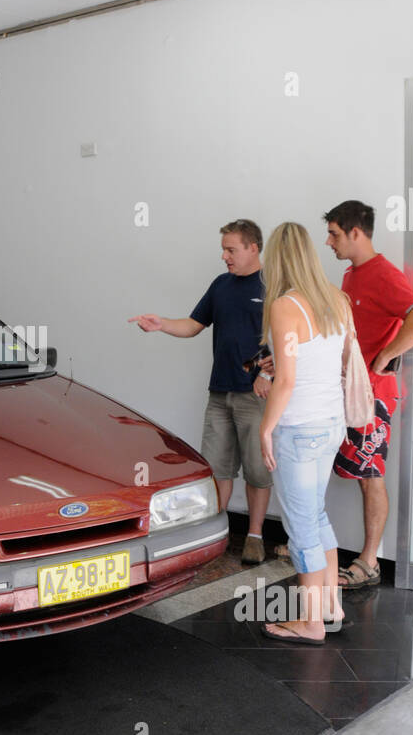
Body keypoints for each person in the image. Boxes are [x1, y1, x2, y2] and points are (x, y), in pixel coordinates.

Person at [131, 219, 271, 563]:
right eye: (223, 249)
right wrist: (162, 324)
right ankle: (215, 533)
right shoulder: (220, 285)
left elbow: (286, 340)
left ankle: (254, 536)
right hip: (220, 394)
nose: (224, 256)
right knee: (217, 468)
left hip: (257, 397)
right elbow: (194, 325)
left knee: (257, 470)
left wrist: (271, 373)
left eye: (231, 249)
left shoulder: (273, 286)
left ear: (253, 247)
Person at [258, 222, 351, 644]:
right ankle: (330, 608)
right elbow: (328, 360)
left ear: (277, 259)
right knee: (316, 515)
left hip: (298, 429)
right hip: (332, 423)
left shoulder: (284, 305)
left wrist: (265, 427)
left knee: (301, 528)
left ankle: (311, 624)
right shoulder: (337, 299)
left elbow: (289, 381)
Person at [324, 200, 413, 588]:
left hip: (376, 395)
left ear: (355, 233)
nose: (329, 241)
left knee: (371, 476)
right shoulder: (351, 276)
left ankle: (369, 562)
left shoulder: (383, 273)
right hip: (349, 389)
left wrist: (386, 354)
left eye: (334, 233)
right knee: (353, 472)